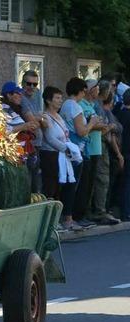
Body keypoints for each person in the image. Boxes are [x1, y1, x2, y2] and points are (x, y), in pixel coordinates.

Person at [60, 77, 102, 228]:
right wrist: (92, 123)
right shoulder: (75, 107)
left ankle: (68, 216)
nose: (85, 93)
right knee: (77, 185)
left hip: (69, 149)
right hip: (77, 150)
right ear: (81, 90)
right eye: (84, 90)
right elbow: (82, 131)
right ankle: (71, 218)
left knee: (70, 184)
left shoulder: (65, 104)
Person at [40, 86, 82, 231]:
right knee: (51, 187)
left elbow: (65, 135)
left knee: (63, 186)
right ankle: (49, 222)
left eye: (60, 98)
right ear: (48, 100)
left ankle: (61, 218)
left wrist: (69, 148)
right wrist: (66, 148)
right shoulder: (45, 116)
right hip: (51, 155)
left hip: (63, 155)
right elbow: (50, 138)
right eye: (57, 98)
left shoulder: (59, 116)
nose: (60, 101)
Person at [74, 79, 108, 226]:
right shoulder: (80, 105)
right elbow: (89, 124)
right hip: (88, 148)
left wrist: (98, 124)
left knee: (91, 182)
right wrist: (97, 124)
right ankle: (81, 213)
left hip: (96, 148)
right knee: (85, 183)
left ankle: (87, 212)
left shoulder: (92, 105)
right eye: (95, 87)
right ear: (88, 90)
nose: (98, 90)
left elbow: (99, 122)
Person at [91, 86, 123, 225]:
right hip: (98, 147)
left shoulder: (102, 109)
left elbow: (113, 128)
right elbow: (105, 131)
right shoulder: (98, 107)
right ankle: (99, 211)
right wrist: (109, 128)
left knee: (102, 180)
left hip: (102, 147)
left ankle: (101, 209)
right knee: (100, 180)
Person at [20, 70, 45, 193]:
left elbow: (44, 121)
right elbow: (31, 121)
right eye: (28, 83)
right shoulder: (22, 98)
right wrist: (40, 118)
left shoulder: (37, 96)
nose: (31, 87)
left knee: (37, 176)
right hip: (29, 144)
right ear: (22, 83)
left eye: (35, 84)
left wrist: (39, 118)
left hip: (39, 142)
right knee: (30, 177)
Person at [114, 89, 130, 221]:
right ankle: (126, 212)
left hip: (121, 151)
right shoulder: (127, 114)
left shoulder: (119, 113)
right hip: (126, 152)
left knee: (123, 182)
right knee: (126, 183)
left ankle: (123, 210)